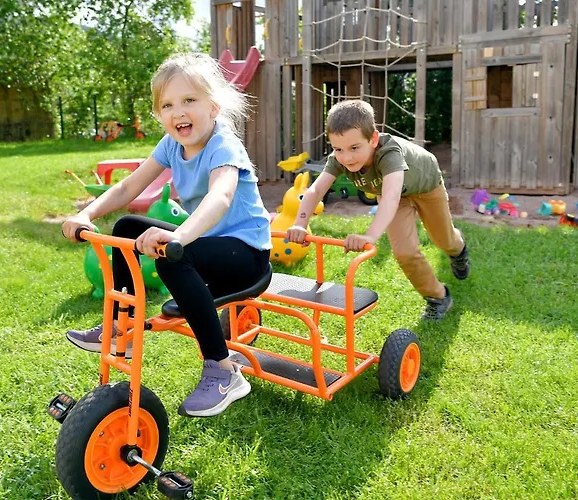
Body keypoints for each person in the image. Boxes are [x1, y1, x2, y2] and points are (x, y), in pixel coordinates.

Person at [61, 53, 272, 417]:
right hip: (205, 243)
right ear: (159, 114)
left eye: (189, 100)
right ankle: (121, 326)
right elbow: (128, 187)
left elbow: (220, 197)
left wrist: (180, 237)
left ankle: (224, 371)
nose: (178, 112)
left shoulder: (224, 146)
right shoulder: (172, 145)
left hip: (246, 255)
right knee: (127, 226)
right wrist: (86, 213)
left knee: (173, 258)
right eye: (168, 105)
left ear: (214, 106)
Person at [287, 100, 469, 321]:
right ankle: (438, 297)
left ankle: (458, 251)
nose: (346, 157)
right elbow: (316, 190)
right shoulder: (339, 159)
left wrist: (370, 235)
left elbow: (390, 198)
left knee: (443, 239)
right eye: (338, 149)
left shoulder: (389, 153)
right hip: (395, 195)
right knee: (404, 252)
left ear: (373, 139)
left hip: (426, 185)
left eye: (354, 148)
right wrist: (300, 223)